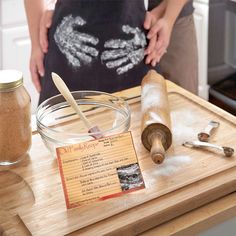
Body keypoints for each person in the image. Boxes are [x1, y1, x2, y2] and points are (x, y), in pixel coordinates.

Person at [24, 0, 197, 104]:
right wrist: (36, 45)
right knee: (65, 140)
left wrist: (167, 17)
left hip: (130, 49)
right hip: (68, 47)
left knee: (138, 141)